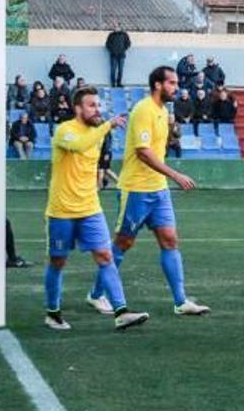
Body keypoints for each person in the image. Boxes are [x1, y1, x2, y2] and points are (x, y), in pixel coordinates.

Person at [44, 86, 148, 331]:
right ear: (77, 108)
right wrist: (107, 126)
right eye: (91, 105)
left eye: (98, 105)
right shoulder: (64, 131)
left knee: (105, 256)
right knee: (57, 261)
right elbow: (80, 145)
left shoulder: (99, 133)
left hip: (90, 208)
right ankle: (52, 312)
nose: (97, 109)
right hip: (62, 211)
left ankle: (121, 311)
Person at [113, 66, 211, 316]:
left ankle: (181, 302)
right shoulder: (144, 109)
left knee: (170, 240)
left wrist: (173, 130)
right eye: (172, 83)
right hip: (136, 188)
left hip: (158, 189)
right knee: (124, 243)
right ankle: (98, 294)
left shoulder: (163, 111)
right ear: (158, 85)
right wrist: (176, 175)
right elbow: (143, 153)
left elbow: (158, 147)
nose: (176, 87)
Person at [105, 23, 131, 87]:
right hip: (113, 55)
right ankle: (113, 84)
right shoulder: (111, 35)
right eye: (114, 27)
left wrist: (123, 49)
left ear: (120, 27)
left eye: (116, 27)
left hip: (121, 55)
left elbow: (128, 43)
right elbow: (107, 44)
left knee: (120, 70)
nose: (115, 28)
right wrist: (112, 50)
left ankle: (119, 83)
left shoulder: (124, 34)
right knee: (113, 70)